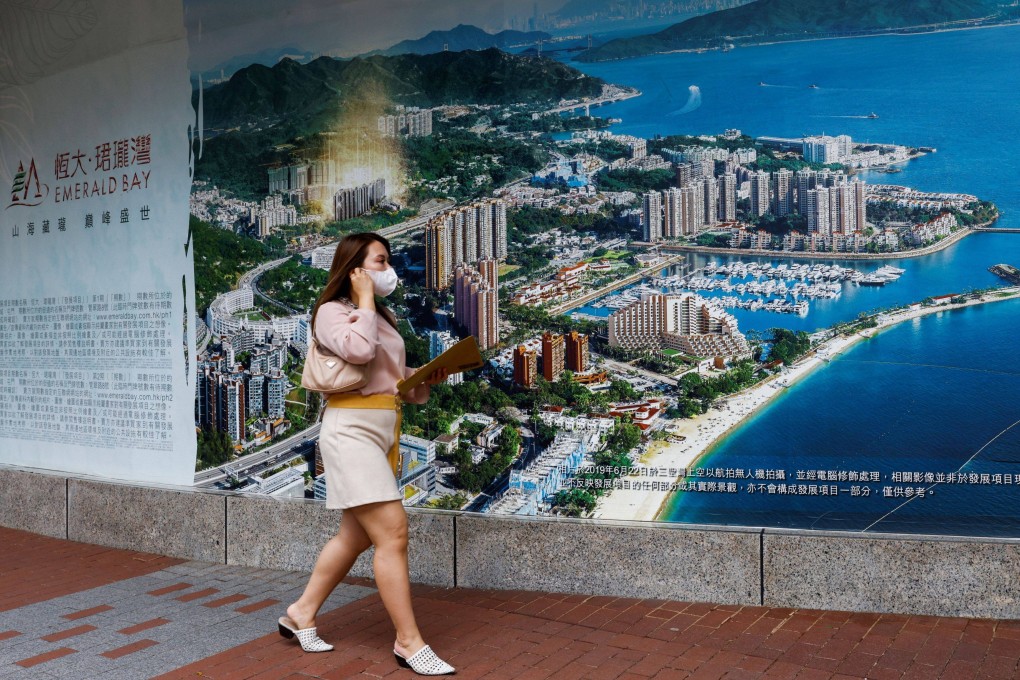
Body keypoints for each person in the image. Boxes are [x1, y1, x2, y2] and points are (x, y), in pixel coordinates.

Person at [278, 232, 455, 676]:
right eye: (379, 261)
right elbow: (357, 350)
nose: (387, 270)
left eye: (387, 261)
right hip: (351, 429)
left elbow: (392, 378)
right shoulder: (331, 312)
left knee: (354, 538)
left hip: (383, 428)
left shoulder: (382, 316)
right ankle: (408, 642)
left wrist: (431, 375)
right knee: (392, 534)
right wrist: (363, 299)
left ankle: (300, 613)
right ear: (354, 267)